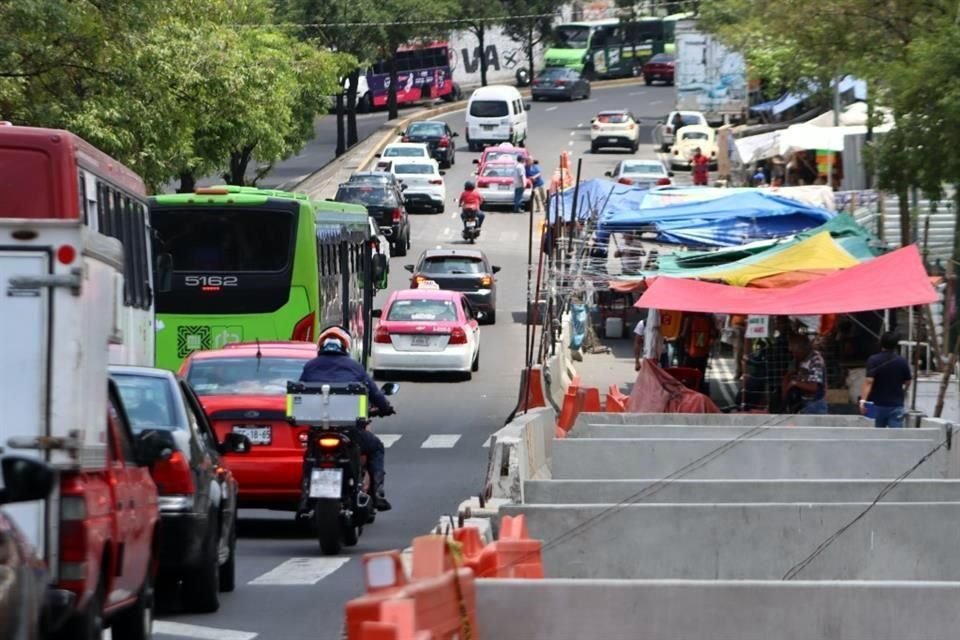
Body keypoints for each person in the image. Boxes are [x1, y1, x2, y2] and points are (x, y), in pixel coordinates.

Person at [299, 326, 395, 510]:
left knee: (310, 456)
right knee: (376, 447)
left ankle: (305, 495)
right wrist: (386, 408)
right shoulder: (355, 367)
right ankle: (377, 493)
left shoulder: (310, 366)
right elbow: (375, 393)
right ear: (346, 347)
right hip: (350, 431)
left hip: (318, 430)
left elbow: (301, 391)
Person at [860, 332, 912, 428]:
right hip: (896, 404)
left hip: (877, 405)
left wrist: (863, 401)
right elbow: (908, 381)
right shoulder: (902, 361)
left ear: (881, 343)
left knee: (877, 437)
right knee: (895, 437)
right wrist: (902, 392)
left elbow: (869, 382)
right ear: (896, 345)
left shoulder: (873, 360)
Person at [782, 334, 827, 414]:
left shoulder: (816, 360)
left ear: (801, 349)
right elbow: (787, 377)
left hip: (815, 405)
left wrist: (794, 383)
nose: (793, 355)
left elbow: (813, 387)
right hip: (803, 403)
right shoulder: (799, 360)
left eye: (794, 352)